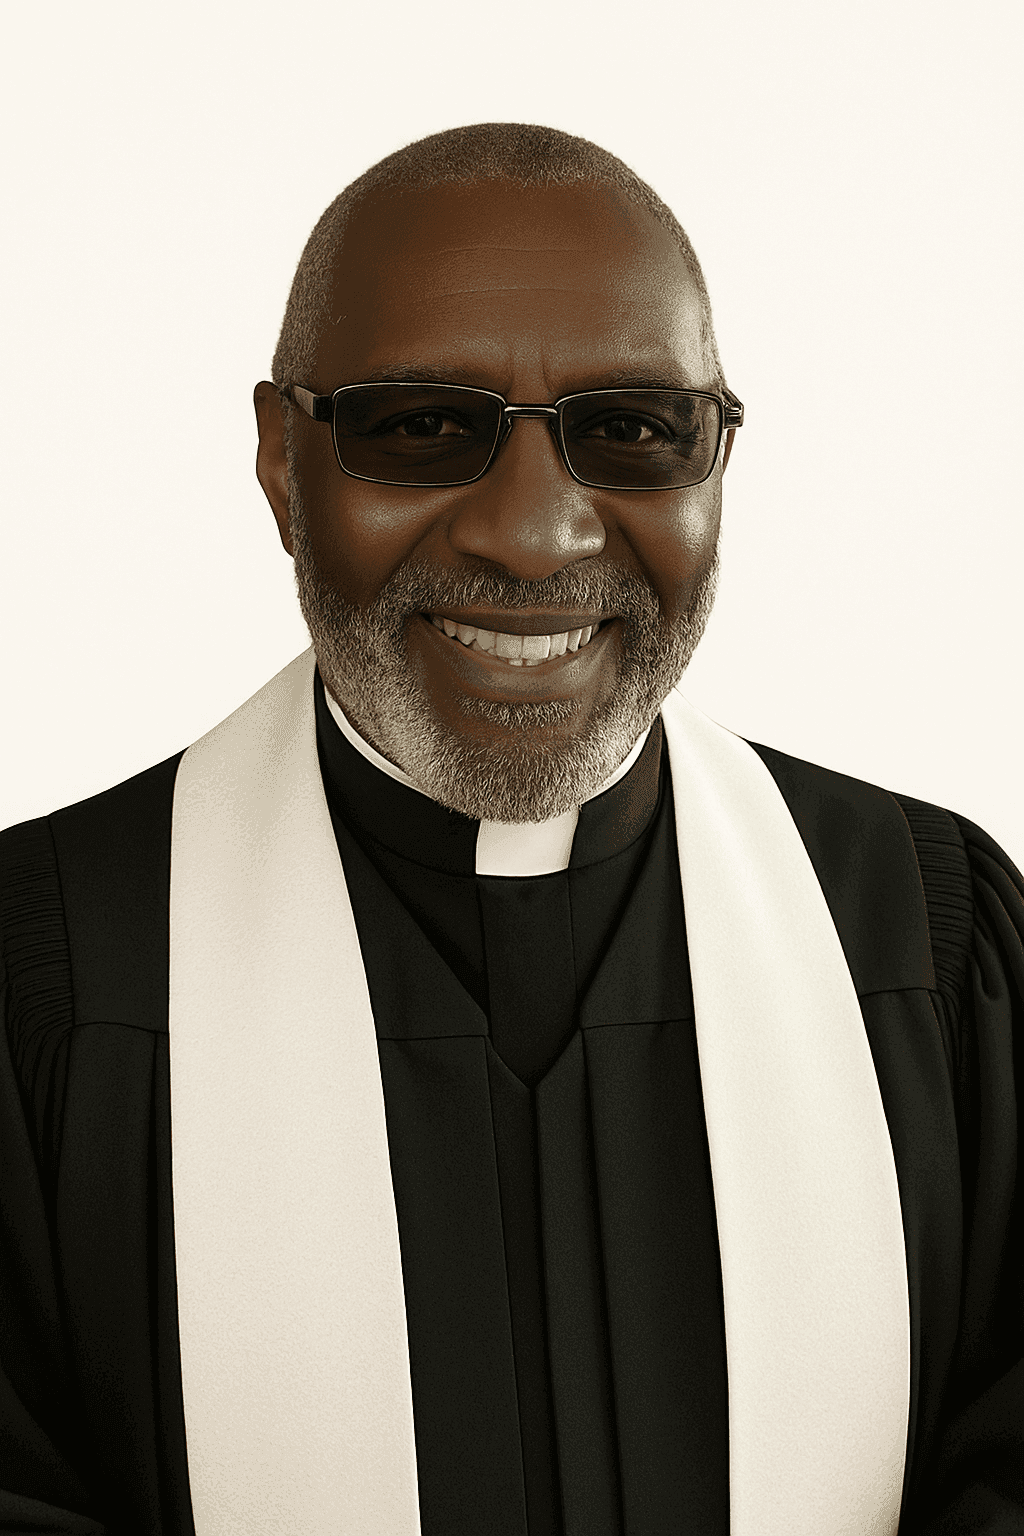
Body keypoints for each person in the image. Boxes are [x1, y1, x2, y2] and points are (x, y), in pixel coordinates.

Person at [0, 122, 1021, 1536]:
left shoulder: (920, 934)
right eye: (420, 428)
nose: (534, 536)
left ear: (719, 463)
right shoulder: (47, 973)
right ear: (280, 463)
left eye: (633, 432)